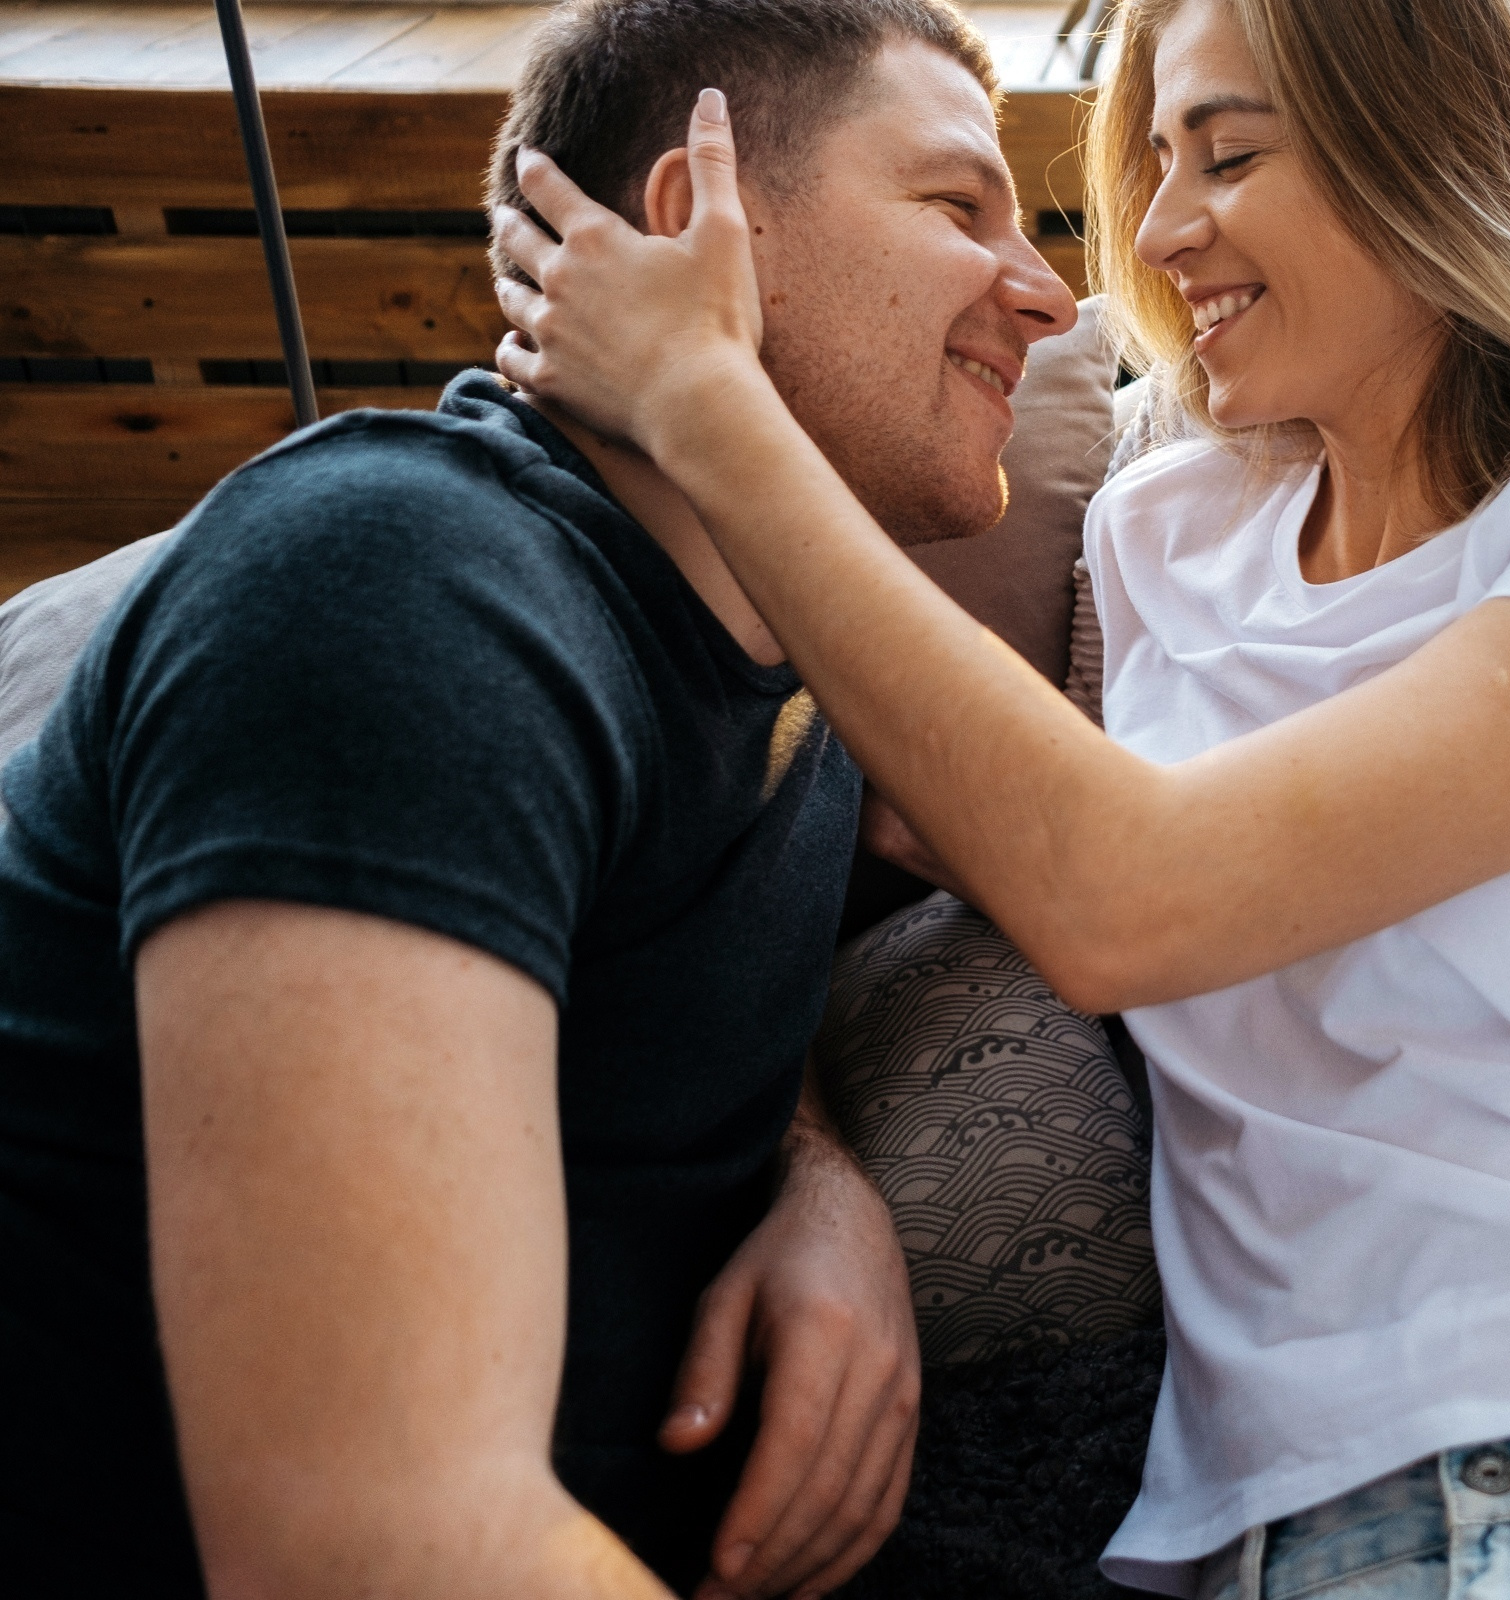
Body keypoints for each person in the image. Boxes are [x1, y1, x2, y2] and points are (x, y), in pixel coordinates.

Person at [491, 0, 1510, 1593]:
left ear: (1442, 152)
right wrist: (812, 1166)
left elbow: (1128, 896)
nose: (1154, 235)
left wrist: (707, 401)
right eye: (1157, 163)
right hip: (1306, 1533)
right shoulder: (1165, 533)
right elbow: (892, 821)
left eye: (1227, 156)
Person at [0, 0, 1082, 1595]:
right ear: (690, 222)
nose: (1050, 294)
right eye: (955, 206)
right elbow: (367, 1541)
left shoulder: (800, 706)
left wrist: (823, 1178)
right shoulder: (403, 586)